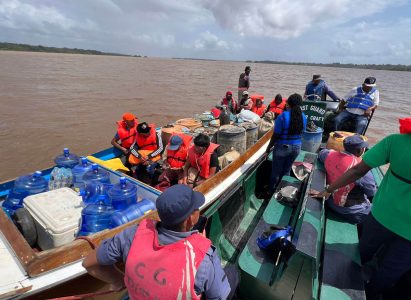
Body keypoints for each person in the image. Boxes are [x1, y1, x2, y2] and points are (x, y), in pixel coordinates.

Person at [311, 97, 411, 298]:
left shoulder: (395, 141)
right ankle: (371, 292)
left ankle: (347, 283)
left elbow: (357, 170)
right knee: (389, 271)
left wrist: (328, 189)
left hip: (382, 217)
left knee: (363, 252)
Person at [82, 184, 239, 299]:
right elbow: (218, 297)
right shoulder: (203, 256)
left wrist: (117, 280)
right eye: (196, 208)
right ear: (190, 219)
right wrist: (200, 246)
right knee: (233, 274)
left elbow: (89, 263)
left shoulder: (133, 234)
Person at [318, 135, 376, 224]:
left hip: (330, 202)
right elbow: (371, 192)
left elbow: (321, 153)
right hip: (351, 211)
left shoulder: (329, 154)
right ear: (360, 150)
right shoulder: (361, 169)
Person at [266, 93, 307, 193]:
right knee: (287, 170)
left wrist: (268, 148)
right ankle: (283, 191)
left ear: (288, 104)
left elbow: (276, 135)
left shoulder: (282, 116)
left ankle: (270, 192)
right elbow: (303, 132)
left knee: (276, 172)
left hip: (282, 148)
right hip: (297, 147)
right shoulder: (303, 117)